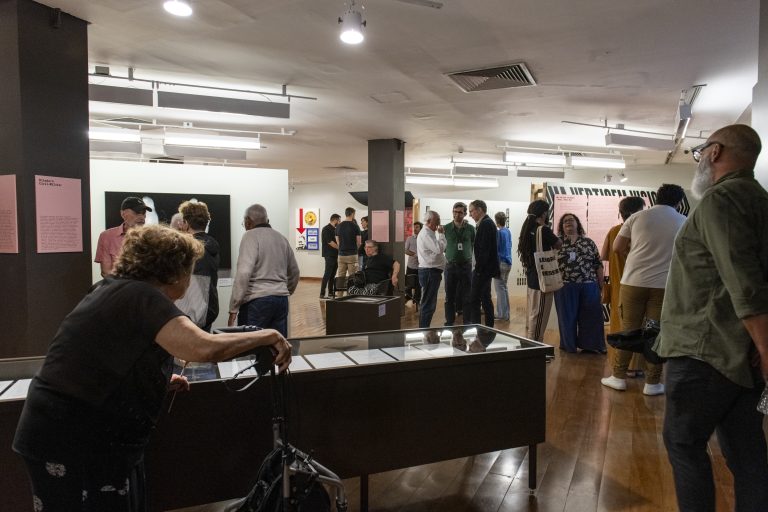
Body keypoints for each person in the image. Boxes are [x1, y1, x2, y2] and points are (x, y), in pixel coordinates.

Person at [13, 225, 291, 512]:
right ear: (175, 271)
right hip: (73, 438)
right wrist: (268, 335)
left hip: (63, 431)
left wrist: (156, 381)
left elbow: (103, 357)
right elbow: (203, 348)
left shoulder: (115, 289)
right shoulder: (141, 296)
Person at [655, 124, 768, 512]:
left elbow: (744, 281)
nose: (700, 158)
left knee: (683, 443)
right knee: (747, 454)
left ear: (715, 152)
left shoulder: (720, 200)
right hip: (741, 354)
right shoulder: (760, 200)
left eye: (701, 150)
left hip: (705, 350)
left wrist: (766, 347)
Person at [601, 184, 685, 395]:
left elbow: (617, 248)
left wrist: (636, 256)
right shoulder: (684, 221)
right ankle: (652, 383)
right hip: (663, 284)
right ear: (679, 202)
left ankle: (618, 377)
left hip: (633, 281)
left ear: (656, 197)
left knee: (629, 329)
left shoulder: (637, 217)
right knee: (655, 333)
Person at [228, 204, 300, 337]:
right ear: (267, 220)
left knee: (251, 345)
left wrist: (234, 308)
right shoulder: (281, 238)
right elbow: (295, 272)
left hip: (256, 301)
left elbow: (244, 273)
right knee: (277, 345)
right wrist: (283, 291)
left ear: (248, 221)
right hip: (281, 301)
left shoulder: (249, 236)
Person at [600, 196, 646, 373]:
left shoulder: (614, 231)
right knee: (639, 325)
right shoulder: (643, 231)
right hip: (639, 285)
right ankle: (637, 366)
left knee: (619, 326)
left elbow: (604, 255)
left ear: (621, 213)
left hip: (618, 287)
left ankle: (619, 366)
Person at [553, 213, 605, 353]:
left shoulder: (589, 242)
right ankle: (568, 346)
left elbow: (598, 264)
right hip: (564, 286)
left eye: (571, 220)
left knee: (591, 317)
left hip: (589, 285)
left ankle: (591, 346)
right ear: (561, 226)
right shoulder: (557, 243)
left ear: (578, 224)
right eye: (565, 221)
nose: (568, 222)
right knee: (567, 318)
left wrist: (601, 285)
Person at [518, 200, 562, 341]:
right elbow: (558, 244)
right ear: (544, 213)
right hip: (543, 278)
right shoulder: (542, 230)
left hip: (532, 275)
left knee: (534, 312)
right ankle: (535, 345)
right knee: (540, 314)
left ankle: (532, 342)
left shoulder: (527, 229)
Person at [174, 200, 220, 332]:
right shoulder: (213, 245)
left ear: (186, 223)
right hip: (209, 307)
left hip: (189, 310)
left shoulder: (188, 247)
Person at [94, 196, 152, 277]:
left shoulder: (152, 238)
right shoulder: (107, 236)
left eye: (143, 213)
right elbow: (106, 272)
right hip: (118, 284)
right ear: (123, 214)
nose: (142, 217)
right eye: (136, 213)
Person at [468, 200, 499, 328]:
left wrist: (479, 270)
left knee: (475, 299)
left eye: (471, 211)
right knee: (485, 298)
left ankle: (478, 328)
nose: (470, 214)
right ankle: (487, 328)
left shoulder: (486, 224)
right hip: (484, 269)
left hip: (482, 270)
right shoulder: (486, 223)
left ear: (479, 210)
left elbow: (484, 250)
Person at [443, 202, 475, 326]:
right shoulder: (446, 228)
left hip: (466, 266)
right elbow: (442, 246)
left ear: (465, 214)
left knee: (467, 295)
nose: (457, 214)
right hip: (451, 266)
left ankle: (467, 322)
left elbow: (473, 243)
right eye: (455, 212)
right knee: (449, 296)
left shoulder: (470, 229)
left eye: (460, 212)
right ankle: (449, 322)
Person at [417, 210, 447, 328]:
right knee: (428, 304)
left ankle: (424, 329)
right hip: (429, 272)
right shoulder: (426, 234)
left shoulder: (429, 232)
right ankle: (423, 330)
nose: (439, 223)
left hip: (431, 272)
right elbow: (439, 249)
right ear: (429, 221)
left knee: (429, 303)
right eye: (437, 220)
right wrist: (442, 235)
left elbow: (435, 251)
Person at [335, 207, 361, 295]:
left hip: (341, 255)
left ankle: (339, 296)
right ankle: (350, 296)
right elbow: (359, 242)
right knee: (352, 277)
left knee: (341, 277)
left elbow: (338, 242)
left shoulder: (338, 226)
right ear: (352, 214)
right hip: (352, 255)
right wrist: (355, 249)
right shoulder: (355, 226)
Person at [493, 211, 512, 321]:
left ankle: (502, 315)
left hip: (501, 263)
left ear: (496, 221)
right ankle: (505, 313)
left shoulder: (499, 233)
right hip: (508, 262)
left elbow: (497, 249)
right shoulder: (507, 231)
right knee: (503, 289)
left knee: (500, 290)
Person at [320, 214, 341, 299]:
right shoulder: (326, 229)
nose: (339, 222)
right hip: (329, 255)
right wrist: (340, 248)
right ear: (335, 220)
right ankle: (322, 294)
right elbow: (330, 242)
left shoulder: (335, 229)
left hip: (335, 255)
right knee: (327, 274)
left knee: (333, 274)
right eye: (339, 221)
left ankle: (330, 293)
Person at [404, 221, 422, 305]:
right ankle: (408, 299)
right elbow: (405, 250)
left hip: (421, 267)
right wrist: (414, 254)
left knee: (419, 286)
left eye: (417, 227)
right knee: (408, 285)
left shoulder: (423, 239)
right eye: (414, 227)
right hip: (410, 266)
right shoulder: (409, 238)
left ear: (421, 228)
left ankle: (416, 301)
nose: (415, 229)